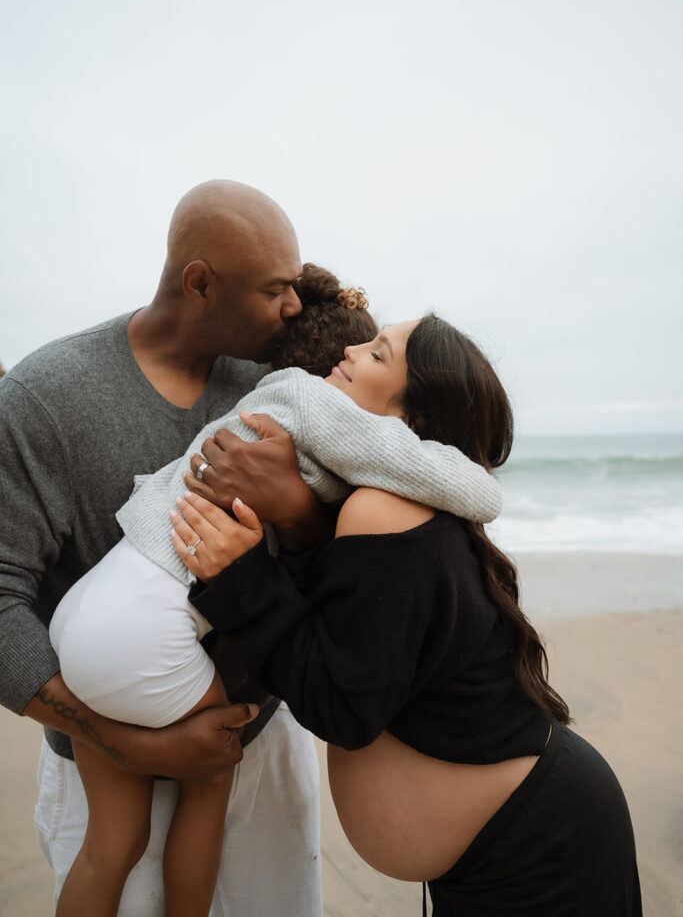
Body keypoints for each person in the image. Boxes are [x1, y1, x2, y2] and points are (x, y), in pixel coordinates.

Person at [49, 264, 502, 917]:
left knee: (110, 844)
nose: (352, 352)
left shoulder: (276, 395)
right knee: (212, 771)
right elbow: (475, 493)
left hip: (91, 607)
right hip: (137, 633)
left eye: (376, 353)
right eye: (365, 344)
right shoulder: (318, 404)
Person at [174, 314, 642, 917]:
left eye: (377, 353)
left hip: (537, 846)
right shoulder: (400, 506)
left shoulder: (382, 508)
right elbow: (359, 628)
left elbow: (342, 707)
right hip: (521, 839)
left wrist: (240, 577)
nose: (349, 348)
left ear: (410, 418)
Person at [0, 180, 334, 917]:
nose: (292, 309)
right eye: (275, 289)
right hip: (105, 761)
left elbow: (329, 554)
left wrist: (300, 508)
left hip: (261, 740)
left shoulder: (280, 385)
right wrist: (123, 742)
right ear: (200, 282)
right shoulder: (43, 398)